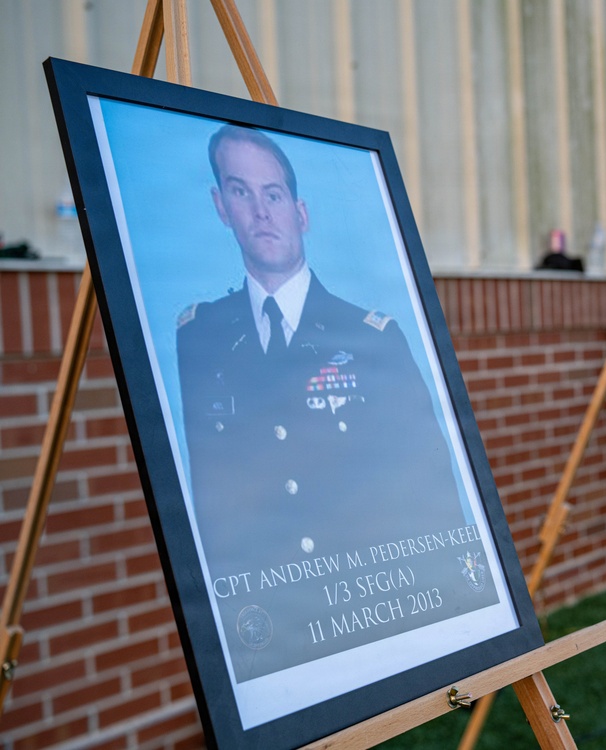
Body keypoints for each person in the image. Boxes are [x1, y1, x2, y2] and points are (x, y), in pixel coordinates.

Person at [176, 125, 493, 682]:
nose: (261, 211)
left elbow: (430, 483)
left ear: (301, 213)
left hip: (366, 602)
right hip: (270, 622)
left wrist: (456, 609)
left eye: (274, 194)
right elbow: (212, 493)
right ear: (220, 206)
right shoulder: (199, 336)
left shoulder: (371, 336)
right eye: (241, 191)